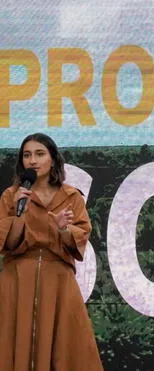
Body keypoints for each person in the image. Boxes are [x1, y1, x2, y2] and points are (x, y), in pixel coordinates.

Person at [0, 133, 103, 370]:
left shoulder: (71, 196)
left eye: (39, 154)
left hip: (58, 281)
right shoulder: (11, 195)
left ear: (53, 160)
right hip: (17, 280)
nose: (32, 161)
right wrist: (18, 213)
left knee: (67, 348)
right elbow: (9, 243)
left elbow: (78, 242)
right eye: (27, 155)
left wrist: (63, 228)